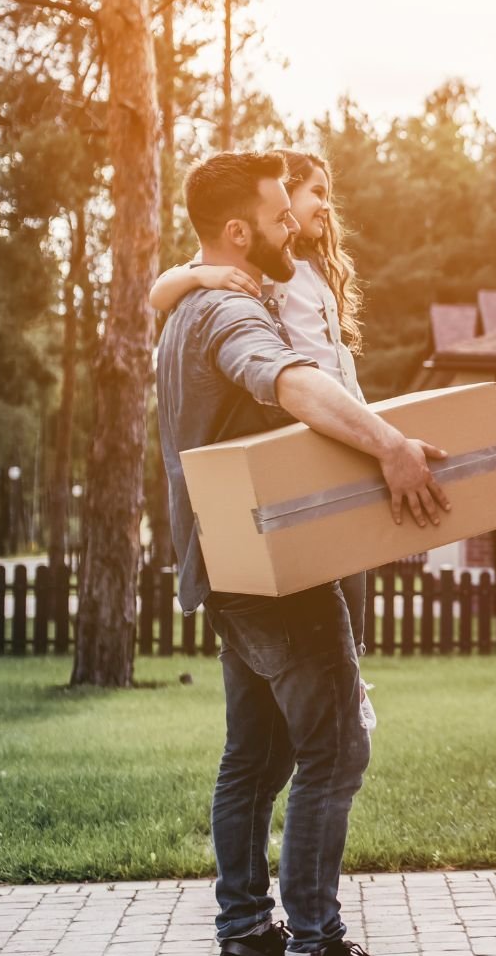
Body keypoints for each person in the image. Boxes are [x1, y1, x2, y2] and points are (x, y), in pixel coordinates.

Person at [157, 151, 448, 956]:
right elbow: (291, 382)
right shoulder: (227, 316)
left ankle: (245, 932)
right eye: (280, 216)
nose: (297, 226)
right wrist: (390, 444)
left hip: (224, 571)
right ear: (240, 230)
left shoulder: (185, 313)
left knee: (255, 756)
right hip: (277, 576)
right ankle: (315, 944)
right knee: (334, 748)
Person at [150, 150, 371, 636]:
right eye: (314, 193)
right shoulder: (252, 271)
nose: (321, 208)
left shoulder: (309, 270)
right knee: (326, 612)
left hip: (338, 421)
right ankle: (346, 688)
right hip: (307, 420)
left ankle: (351, 677)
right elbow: (160, 291)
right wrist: (198, 274)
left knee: (351, 593)